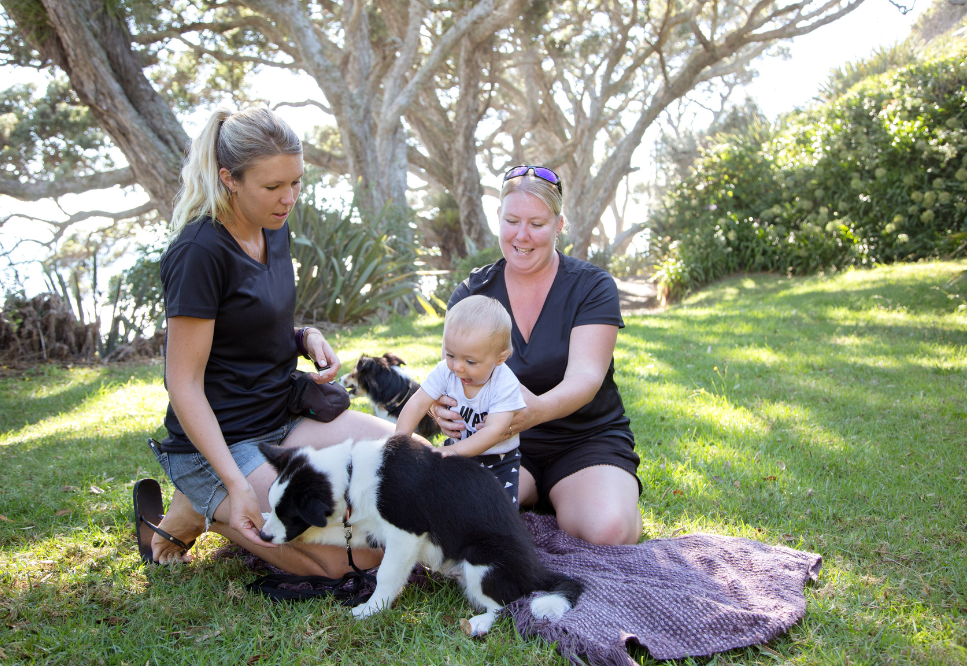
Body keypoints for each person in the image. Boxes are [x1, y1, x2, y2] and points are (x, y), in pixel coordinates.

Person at [145, 106, 396, 574]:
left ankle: (207, 502)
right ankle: (202, 506)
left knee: (412, 460)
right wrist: (234, 483)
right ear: (229, 179)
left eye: (296, 182)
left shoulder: (271, 225)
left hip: (284, 415)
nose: (289, 198)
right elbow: (182, 384)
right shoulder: (198, 253)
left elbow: (251, 320)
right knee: (357, 560)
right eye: (273, 186)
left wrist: (305, 336)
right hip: (224, 442)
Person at [432, 165, 644, 545]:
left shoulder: (592, 286)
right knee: (457, 523)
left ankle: (573, 493)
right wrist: (442, 408)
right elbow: (452, 375)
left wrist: (534, 412)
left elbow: (586, 378)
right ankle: (526, 494)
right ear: (498, 218)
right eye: (512, 220)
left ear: (559, 224)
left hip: (583, 439)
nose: (522, 236)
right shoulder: (471, 294)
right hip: (497, 439)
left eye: (537, 223)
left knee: (609, 531)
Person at [395, 295, 526, 504]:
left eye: (471, 361)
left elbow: (494, 431)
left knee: (499, 511)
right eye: (450, 355)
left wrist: (452, 451)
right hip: (454, 448)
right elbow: (418, 402)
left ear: (500, 358)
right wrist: (399, 442)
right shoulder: (446, 372)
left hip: (498, 461)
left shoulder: (505, 383)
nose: (457, 367)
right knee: (445, 502)